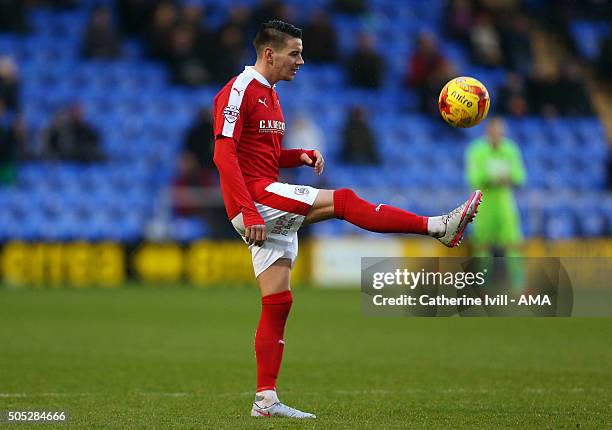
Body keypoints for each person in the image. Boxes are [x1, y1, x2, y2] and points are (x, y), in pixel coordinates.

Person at [213, 20, 482, 419]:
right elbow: (224, 154)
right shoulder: (239, 90)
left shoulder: (271, 94)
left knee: (277, 301)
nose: (301, 61)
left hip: (263, 196)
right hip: (255, 200)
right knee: (343, 200)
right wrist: (248, 209)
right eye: (295, 53)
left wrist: (297, 155)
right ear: (269, 54)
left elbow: (261, 155)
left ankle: (265, 401)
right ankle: (438, 227)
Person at [466, 117, 525, 291]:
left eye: (501, 131)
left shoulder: (510, 149)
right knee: (482, 245)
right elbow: (473, 177)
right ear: (488, 131)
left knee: (513, 244)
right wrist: (492, 178)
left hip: (505, 203)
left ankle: (519, 287)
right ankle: (482, 286)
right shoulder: (476, 150)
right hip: (483, 204)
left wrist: (508, 178)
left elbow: (520, 176)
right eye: (495, 131)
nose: (498, 135)